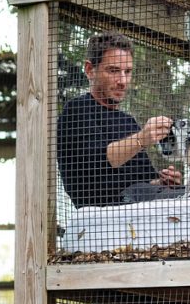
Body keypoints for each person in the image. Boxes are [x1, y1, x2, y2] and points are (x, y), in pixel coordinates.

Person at [57, 32, 182, 209]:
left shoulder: (128, 121)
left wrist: (164, 182)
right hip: (104, 214)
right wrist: (142, 138)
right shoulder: (77, 109)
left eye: (128, 72)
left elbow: (144, 181)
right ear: (90, 70)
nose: (123, 81)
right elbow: (98, 161)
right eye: (113, 70)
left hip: (140, 211)